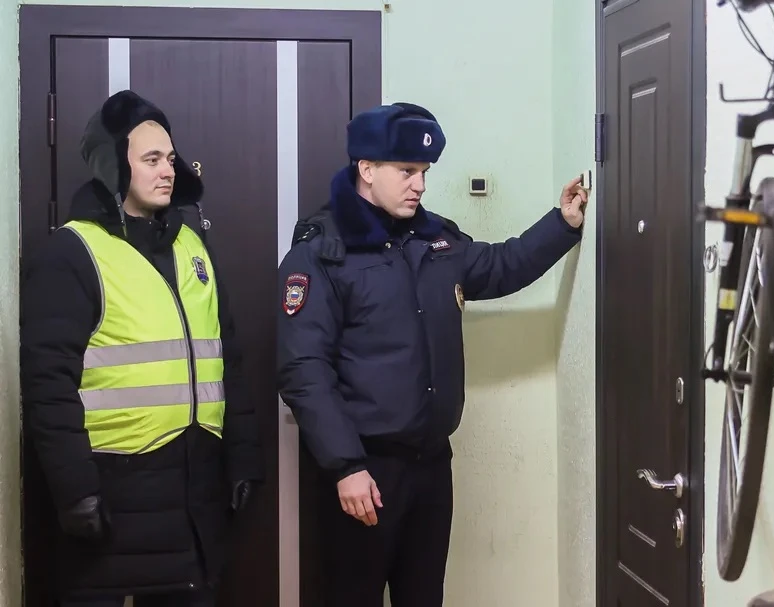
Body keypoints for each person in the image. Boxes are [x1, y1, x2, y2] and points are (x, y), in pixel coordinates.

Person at [276, 101, 588, 606]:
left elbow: (501, 265)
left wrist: (563, 225)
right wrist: (345, 466)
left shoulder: (436, 241)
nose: (419, 185)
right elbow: (303, 371)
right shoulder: (323, 253)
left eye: (424, 172)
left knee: (423, 597)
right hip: (364, 470)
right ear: (367, 169)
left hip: (430, 465)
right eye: (407, 171)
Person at [19, 90, 264, 607]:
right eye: (151, 159)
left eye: (171, 159)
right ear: (114, 165)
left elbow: (229, 361)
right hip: (113, 488)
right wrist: (75, 490)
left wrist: (242, 459)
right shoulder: (73, 251)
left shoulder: (192, 244)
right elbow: (47, 387)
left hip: (195, 489)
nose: (168, 170)